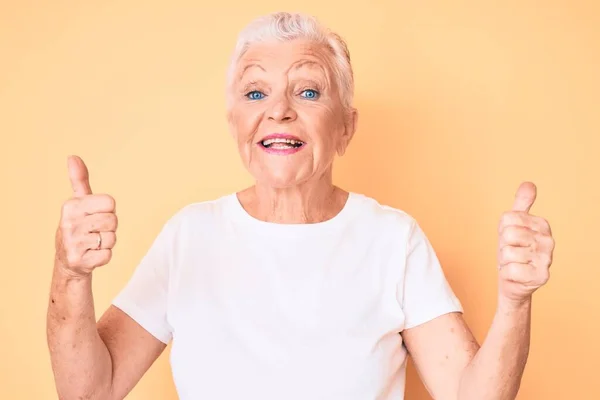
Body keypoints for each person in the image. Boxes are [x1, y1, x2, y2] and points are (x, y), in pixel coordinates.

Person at [46, 11, 555, 400]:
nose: (279, 110)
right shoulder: (189, 236)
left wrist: (515, 302)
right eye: (255, 92)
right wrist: (70, 274)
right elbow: (90, 389)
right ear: (235, 127)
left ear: (346, 128)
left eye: (308, 90)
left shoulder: (392, 240)